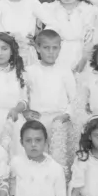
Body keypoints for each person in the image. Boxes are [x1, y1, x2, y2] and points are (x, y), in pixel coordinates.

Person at [24, 30, 76, 171]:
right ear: (38, 48)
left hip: (59, 121)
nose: (51, 52)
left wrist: (67, 114)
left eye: (55, 48)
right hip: (37, 120)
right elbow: (24, 96)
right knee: (38, 158)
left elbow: (74, 98)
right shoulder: (29, 71)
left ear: (60, 48)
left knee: (58, 159)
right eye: (46, 48)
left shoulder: (65, 71)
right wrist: (26, 111)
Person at [40, 0, 97, 72]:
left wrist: (83, 60)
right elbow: (41, 35)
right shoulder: (49, 8)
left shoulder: (87, 9)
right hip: (55, 56)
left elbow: (89, 40)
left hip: (79, 56)